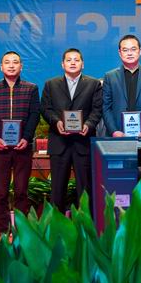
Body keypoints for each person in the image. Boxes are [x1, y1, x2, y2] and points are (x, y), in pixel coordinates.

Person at [0, 51, 40, 233]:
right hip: (0, 148)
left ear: (21, 66)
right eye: (7, 62)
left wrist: (26, 138)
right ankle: (3, 230)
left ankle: (22, 230)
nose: (11, 65)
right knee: (1, 192)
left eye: (15, 62)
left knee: (22, 191)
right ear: (1, 67)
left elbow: (34, 115)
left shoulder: (31, 89)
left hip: (23, 147)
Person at [40, 48, 102, 213]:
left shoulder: (94, 84)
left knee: (85, 189)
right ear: (62, 64)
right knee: (57, 189)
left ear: (83, 64)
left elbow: (97, 109)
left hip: (83, 143)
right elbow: (45, 109)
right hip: (59, 143)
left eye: (76, 60)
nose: (73, 63)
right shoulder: (51, 84)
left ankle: (86, 225)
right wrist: (57, 122)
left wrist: (88, 124)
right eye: (69, 60)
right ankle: (57, 225)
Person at [102, 35, 141, 137]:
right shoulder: (110, 77)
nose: (129, 53)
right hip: (118, 135)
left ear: (140, 51)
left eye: (133, 49)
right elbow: (106, 107)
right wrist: (114, 131)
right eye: (125, 50)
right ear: (120, 53)